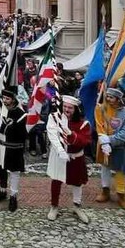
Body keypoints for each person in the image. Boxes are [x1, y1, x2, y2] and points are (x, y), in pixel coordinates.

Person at [46, 95, 91, 223]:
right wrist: (60, 150)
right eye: (65, 106)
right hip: (59, 157)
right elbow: (52, 134)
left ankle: (77, 206)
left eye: (70, 107)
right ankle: (54, 206)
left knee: (77, 182)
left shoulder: (83, 123)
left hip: (76, 157)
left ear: (76, 109)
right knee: (56, 181)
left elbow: (85, 140)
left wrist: (72, 135)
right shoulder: (55, 118)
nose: (67, 109)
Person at [94, 88, 125, 211]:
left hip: (119, 147)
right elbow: (99, 124)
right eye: (107, 96)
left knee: (119, 170)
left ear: (118, 99)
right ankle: (105, 191)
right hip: (103, 145)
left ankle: (121, 195)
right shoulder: (101, 109)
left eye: (111, 97)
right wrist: (102, 138)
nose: (108, 99)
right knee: (105, 167)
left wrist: (110, 140)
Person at [0, 86, 28, 212]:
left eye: (8, 98)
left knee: (14, 171)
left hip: (14, 146)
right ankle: (2, 190)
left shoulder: (20, 113)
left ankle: (13, 196)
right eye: (3, 98)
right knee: (1, 167)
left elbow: (23, 133)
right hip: (1, 144)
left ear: (13, 99)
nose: (5, 101)